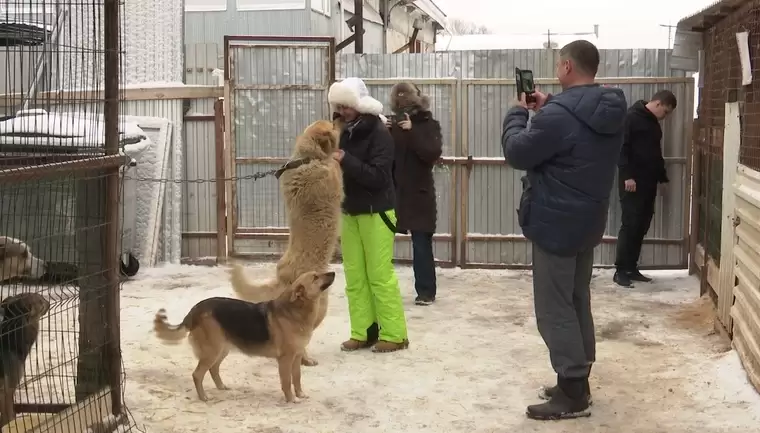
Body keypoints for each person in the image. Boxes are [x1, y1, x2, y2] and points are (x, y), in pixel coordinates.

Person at [501, 40, 627, 420]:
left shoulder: (560, 115)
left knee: (554, 307)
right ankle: (578, 375)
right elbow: (575, 122)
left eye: (559, 64)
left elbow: (517, 152)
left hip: (555, 222)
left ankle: (572, 392)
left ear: (568, 67)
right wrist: (551, 102)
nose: (557, 68)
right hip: (587, 220)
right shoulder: (610, 107)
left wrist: (516, 114)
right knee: (575, 300)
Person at [327, 77, 410, 353]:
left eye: (346, 106)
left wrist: (345, 160)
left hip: (377, 211)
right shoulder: (342, 131)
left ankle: (395, 334)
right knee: (354, 275)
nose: (341, 111)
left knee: (379, 275)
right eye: (338, 106)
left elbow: (377, 176)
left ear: (359, 105)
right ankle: (363, 331)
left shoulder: (380, 134)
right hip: (351, 211)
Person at [386, 82, 443, 306]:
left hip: (419, 195)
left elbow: (431, 153)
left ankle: (426, 291)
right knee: (380, 242)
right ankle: (380, 288)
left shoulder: (428, 124)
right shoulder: (392, 125)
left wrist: (412, 132)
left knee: (421, 244)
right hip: (394, 194)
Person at [614, 90, 677, 287]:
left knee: (642, 225)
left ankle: (631, 267)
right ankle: (620, 270)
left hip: (648, 183)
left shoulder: (653, 123)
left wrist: (662, 177)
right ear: (657, 104)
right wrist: (627, 176)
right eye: (665, 112)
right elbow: (621, 148)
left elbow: (655, 153)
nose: (665, 117)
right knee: (630, 224)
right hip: (632, 183)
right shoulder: (631, 118)